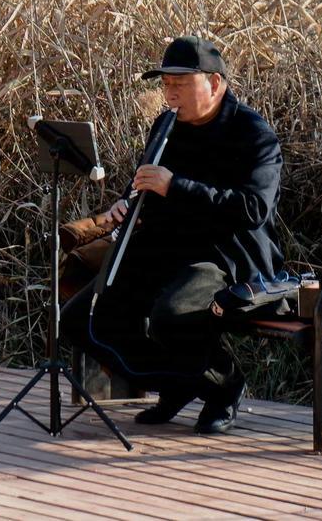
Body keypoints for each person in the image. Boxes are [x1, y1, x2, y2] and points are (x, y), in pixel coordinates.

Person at [59, 36, 283, 435]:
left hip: (225, 255)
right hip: (166, 246)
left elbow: (253, 209)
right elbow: (148, 184)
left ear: (214, 83)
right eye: (165, 84)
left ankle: (223, 386)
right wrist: (128, 204)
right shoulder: (165, 124)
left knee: (172, 315)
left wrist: (175, 186)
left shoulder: (253, 133)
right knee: (82, 318)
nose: (170, 92)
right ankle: (180, 384)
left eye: (180, 83)